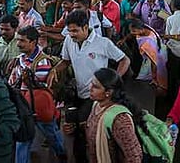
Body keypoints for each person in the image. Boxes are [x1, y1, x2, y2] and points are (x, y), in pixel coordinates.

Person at [49, 10, 131, 163]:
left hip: (96, 98)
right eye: (69, 30)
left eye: (75, 30)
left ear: (86, 27)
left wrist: (113, 80)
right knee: (74, 132)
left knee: (89, 132)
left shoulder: (103, 43)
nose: (71, 34)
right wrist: (54, 70)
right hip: (77, 94)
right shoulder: (68, 41)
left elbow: (124, 60)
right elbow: (65, 62)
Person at [8, 26, 65, 163]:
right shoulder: (20, 59)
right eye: (18, 40)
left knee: (51, 135)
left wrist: (26, 81)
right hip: (25, 108)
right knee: (24, 140)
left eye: (22, 41)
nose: (18, 44)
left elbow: (43, 88)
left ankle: (62, 154)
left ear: (33, 42)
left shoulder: (42, 62)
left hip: (38, 108)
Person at [86, 68, 143, 163]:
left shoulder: (120, 119)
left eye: (95, 86)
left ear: (108, 93)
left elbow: (134, 156)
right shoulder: (96, 105)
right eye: (91, 83)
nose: (89, 88)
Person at [128, 19, 168, 113]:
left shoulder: (148, 43)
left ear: (141, 29)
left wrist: (154, 78)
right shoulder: (146, 28)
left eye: (134, 31)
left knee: (147, 80)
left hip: (153, 60)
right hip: (158, 53)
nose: (132, 33)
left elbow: (154, 62)